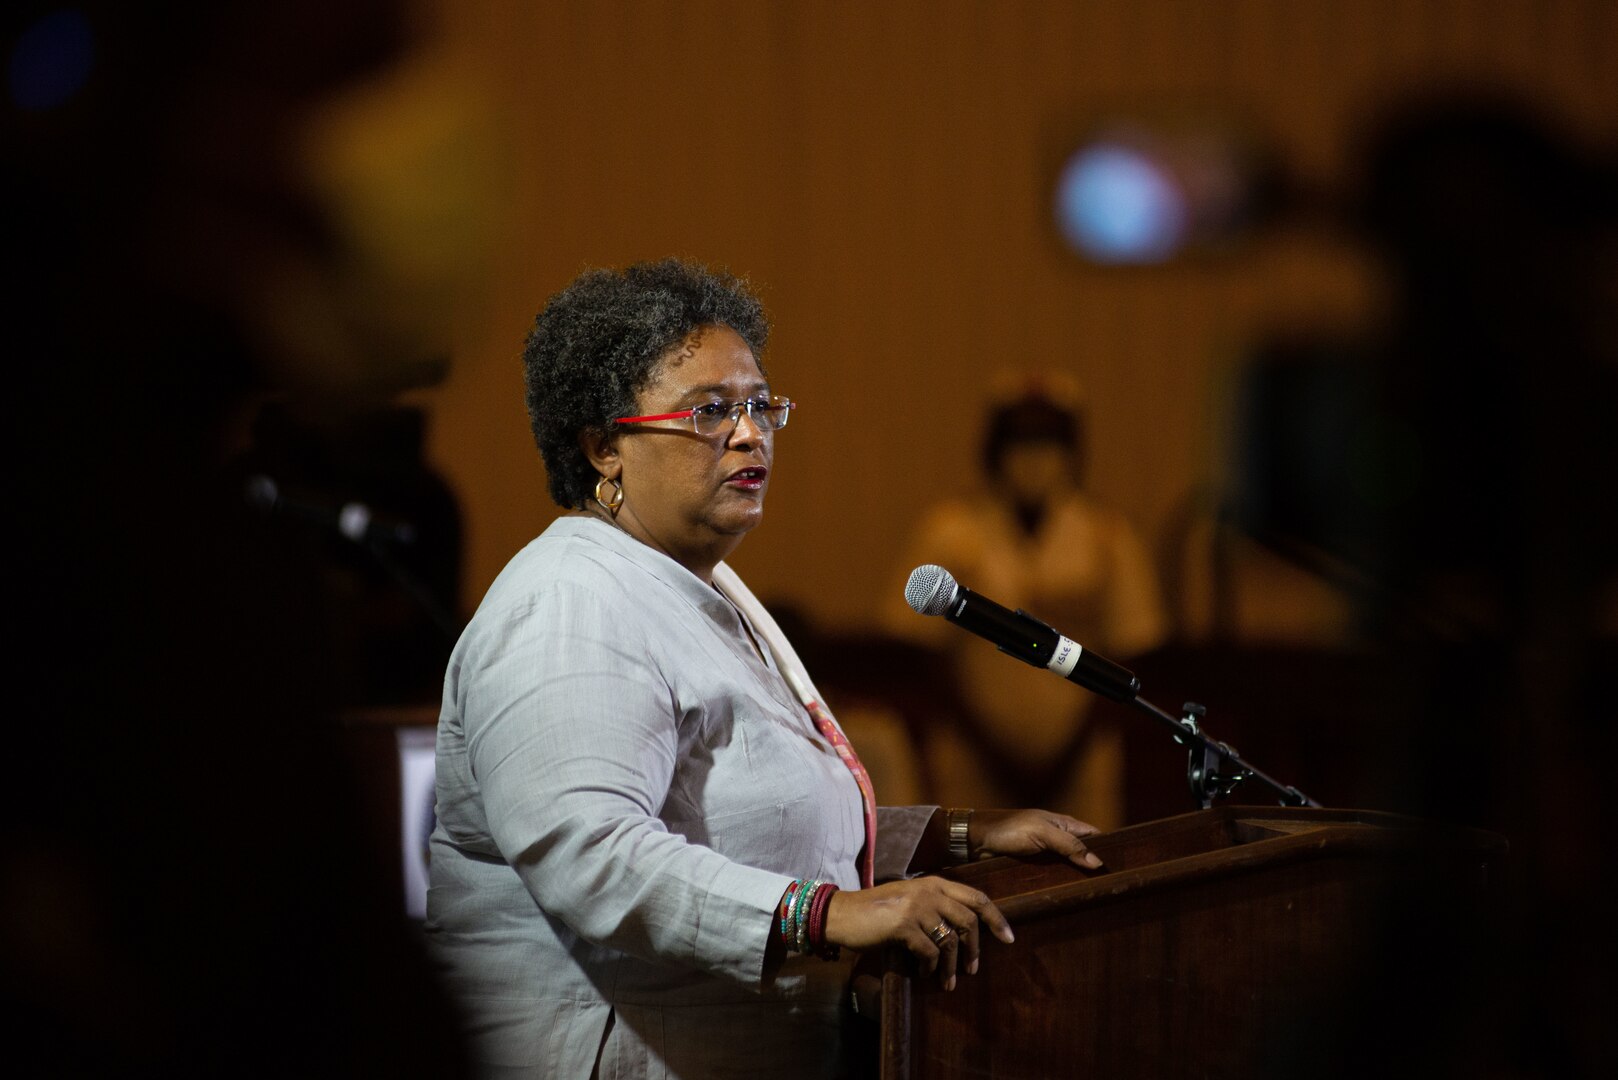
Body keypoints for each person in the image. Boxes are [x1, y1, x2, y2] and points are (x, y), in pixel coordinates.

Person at [424, 258, 1105, 1078]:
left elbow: (746, 824)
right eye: (711, 411)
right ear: (605, 447)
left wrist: (957, 836)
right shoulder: (567, 605)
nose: (750, 433)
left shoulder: (695, 583)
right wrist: (825, 915)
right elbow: (595, 855)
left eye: (759, 406)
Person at [880, 373, 1167, 829]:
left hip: (1082, 769)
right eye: (1020, 440)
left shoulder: (1109, 538)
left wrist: (1064, 758)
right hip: (972, 767)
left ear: (1073, 449)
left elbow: (1132, 653)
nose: (1035, 456)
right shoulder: (949, 533)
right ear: (994, 447)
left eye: (1048, 440)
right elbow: (922, 655)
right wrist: (992, 752)